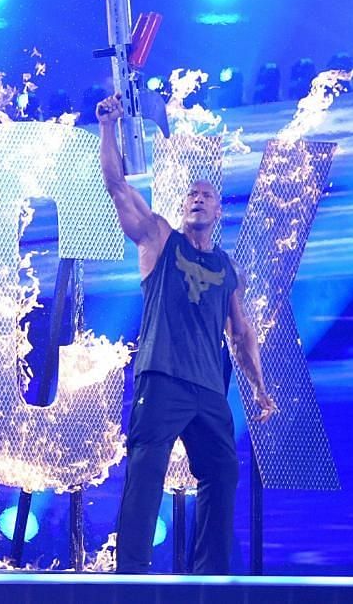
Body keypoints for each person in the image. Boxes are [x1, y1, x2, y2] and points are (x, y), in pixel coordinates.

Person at [96, 94, 277, 574]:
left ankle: (210, 575)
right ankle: (131, 574)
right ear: (183, 208)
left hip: (208, 391)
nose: (198, 199)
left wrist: (258, 390)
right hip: (162, 379)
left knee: (222, 471)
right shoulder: (159, 238)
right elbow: (115, 185)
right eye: (191, 196)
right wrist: (108, 127)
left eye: (207, 196)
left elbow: (242, 335)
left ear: (218, 212)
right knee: (147, 472)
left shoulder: (226, 266)